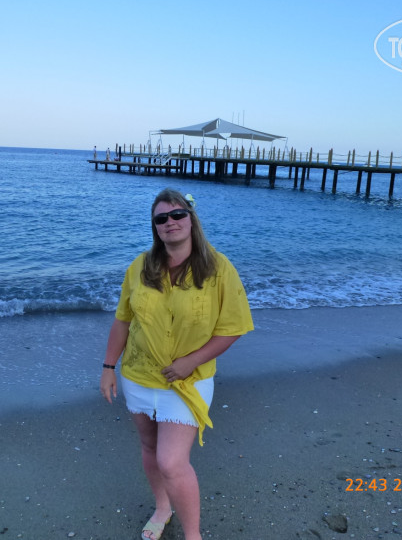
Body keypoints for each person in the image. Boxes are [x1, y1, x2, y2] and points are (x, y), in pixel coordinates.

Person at [100, 188, 254, 540]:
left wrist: (190, 362)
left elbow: (233, 328)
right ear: (154, 227)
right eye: (161, 218)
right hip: (138, 375)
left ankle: (193, 535)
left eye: (177, 214)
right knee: (149, 447)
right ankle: (162, 507)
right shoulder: (140, 266)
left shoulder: (218, 268)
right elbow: (123, 320)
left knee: (171, 461)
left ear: (191, 218)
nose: (170, 222)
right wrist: (108, 368)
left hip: (188, 381)